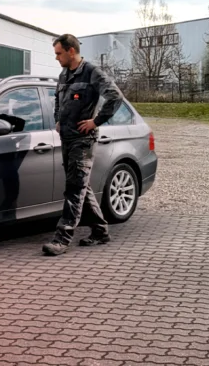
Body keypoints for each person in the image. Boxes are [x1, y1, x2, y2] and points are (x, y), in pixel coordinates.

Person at [43, 34, 123, 256]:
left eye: (59, 53)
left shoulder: (92, 73)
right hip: (66, 139)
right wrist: (58, 118)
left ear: (71, 51)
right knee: (80, 186)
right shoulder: (64, 74)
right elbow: (59, 100)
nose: (57, 58)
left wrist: (95, 121)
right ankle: (99, 231)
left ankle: (62, 237)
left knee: (74, 189)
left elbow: (115, 97)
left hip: (83, 140)